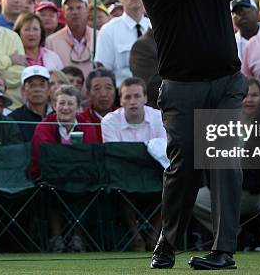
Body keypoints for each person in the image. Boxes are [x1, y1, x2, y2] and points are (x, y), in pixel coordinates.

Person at [139, 0, 260, 269]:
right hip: (182, 91)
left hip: (226, 85)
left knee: (224, 159)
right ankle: (168, 242)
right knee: (185, 169)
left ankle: (223, 250)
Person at [193, 78, 260, 251]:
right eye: (244, 95)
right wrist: (216, 190)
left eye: (254, 95)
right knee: (195, 199)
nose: (249, 100)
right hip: (230, 192)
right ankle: (234, 235)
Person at [30, 84, 100, 252]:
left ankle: (78, 237)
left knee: (84, 188)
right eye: (61, 103)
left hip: (82, 176)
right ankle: (56, 237)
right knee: (54, 189)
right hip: (51, 176)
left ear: (78, 107)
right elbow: (43, 157)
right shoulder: (44, 126)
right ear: (54, 105)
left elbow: (92, 155)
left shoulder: (88, 125)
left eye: (70, 104)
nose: (65, 108)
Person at [101, 77, 165, 250]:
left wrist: (134, 154)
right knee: (121, 188)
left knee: (173, 186)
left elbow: (167, 152)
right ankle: (136, 237)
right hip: (124, 177)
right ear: (120, 100)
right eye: (127, 97)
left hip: (155, 175)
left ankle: (155, 236)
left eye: (137, 96)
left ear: (145, 98)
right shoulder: (109, 121)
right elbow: (114, 156)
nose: (132, 102)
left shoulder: (159, 118)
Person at [95, 0, 151, 87]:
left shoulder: (154, 26)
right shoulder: (108, 30)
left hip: (155, 95)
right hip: (122, 95)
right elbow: (103, 71)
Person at [45, 0, 96, 78]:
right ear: (64, 12)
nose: (75, 12)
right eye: (70, 9)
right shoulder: (51, 41)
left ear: (87, 10)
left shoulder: (99, 37)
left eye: (79, 8)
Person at [9, 65, 52, 142]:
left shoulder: (58, 117)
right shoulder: (13, 119)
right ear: (23, 90)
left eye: (42, 85)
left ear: (49, 89)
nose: (37, 89)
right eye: (32, 85)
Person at [78, 68, 117, 141]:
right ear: (88, 93)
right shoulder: (81, 120)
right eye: (97, 89)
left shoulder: (123, 117)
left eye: (108, 88)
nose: (103, 94)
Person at [129, 28, 160, 109]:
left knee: (198, 120)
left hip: (195, 105)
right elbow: (150, 85)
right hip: (162, 112)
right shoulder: (143, 45)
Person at [230, 0, 260, 64]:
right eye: (236, 13)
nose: (240, 16)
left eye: (245, 11)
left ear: (256, 12)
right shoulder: (231, 43)